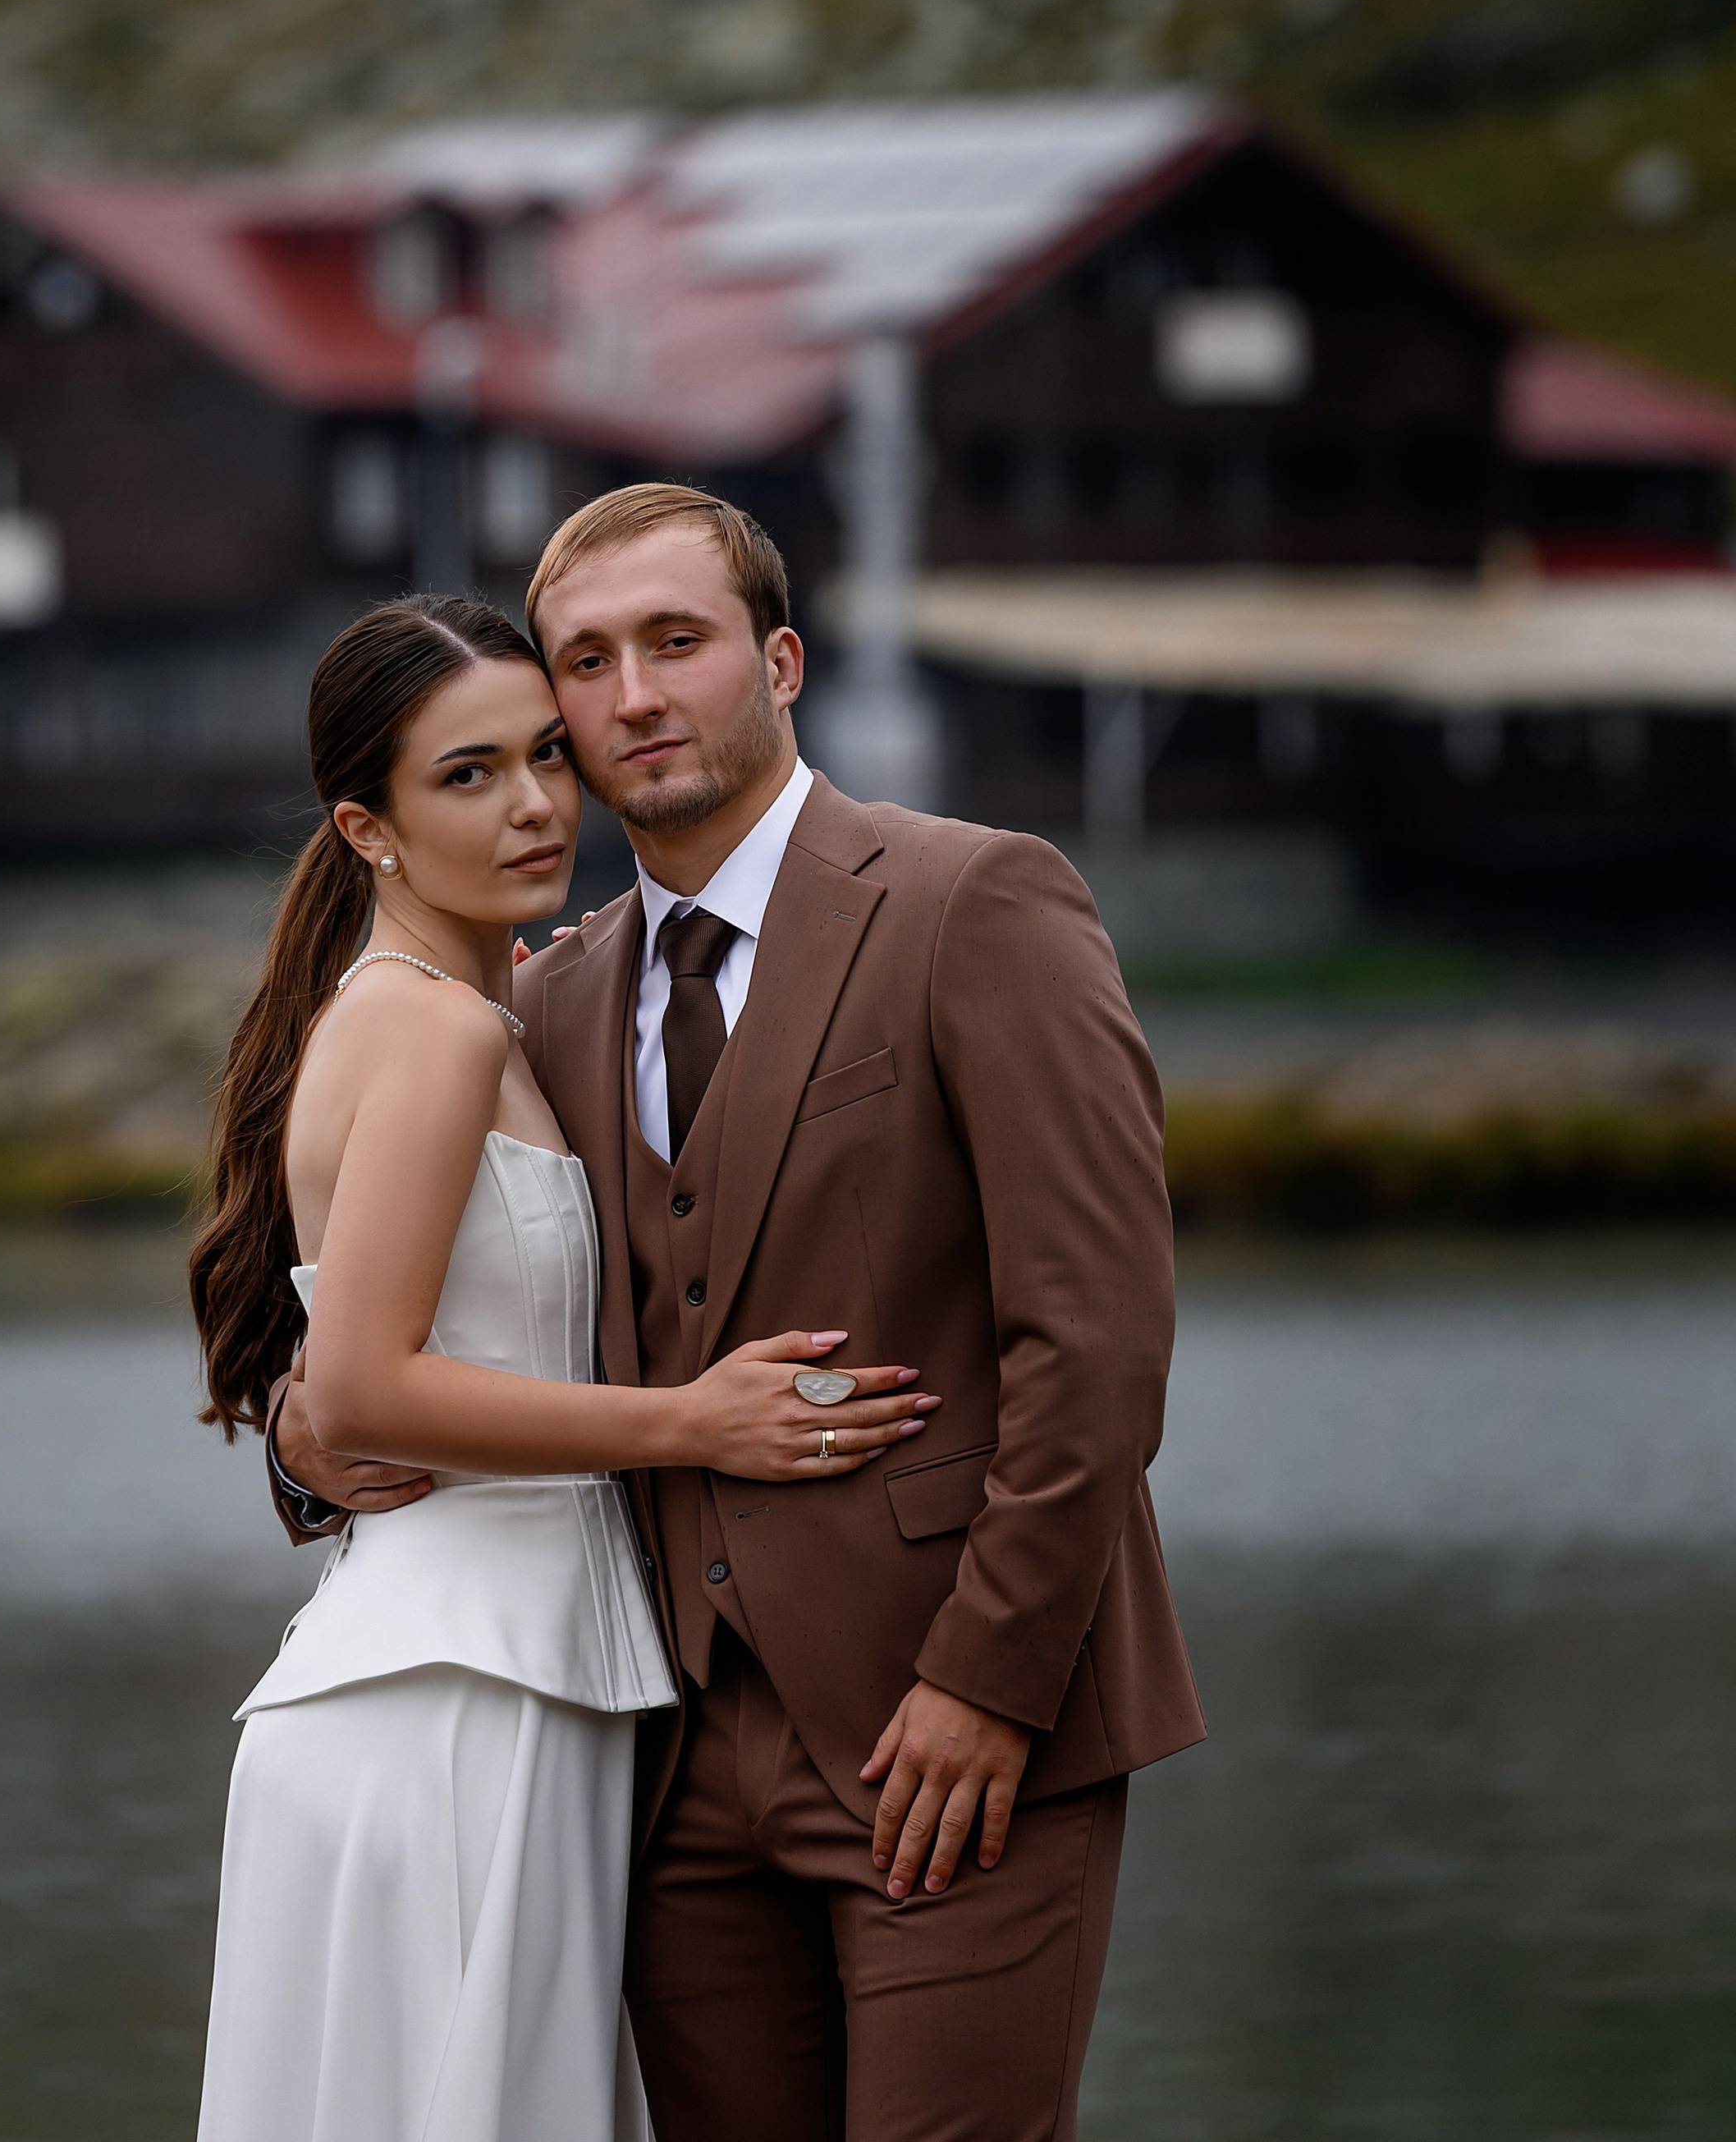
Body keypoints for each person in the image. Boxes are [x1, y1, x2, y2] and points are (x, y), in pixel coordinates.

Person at [271, 487, 1206, 2142]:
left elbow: (1098, 1336)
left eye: (674, 642)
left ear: (776, 660)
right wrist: (307, 1431)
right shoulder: (538, 996)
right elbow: (417, 1315)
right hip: (666, 1767)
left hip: (950, 1731)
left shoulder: (972, 901)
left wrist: (988, 1679)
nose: (631, 694)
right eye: (584, 659)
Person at [188, 592, 939, 2142]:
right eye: (466, 775)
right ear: (366, 826)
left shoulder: (494, 1011)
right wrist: (697, 1422)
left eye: (544, 754)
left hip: (512, 1678)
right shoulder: (439, 1036)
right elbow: (370, 1384)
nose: (535, 802)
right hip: (458, 1700)